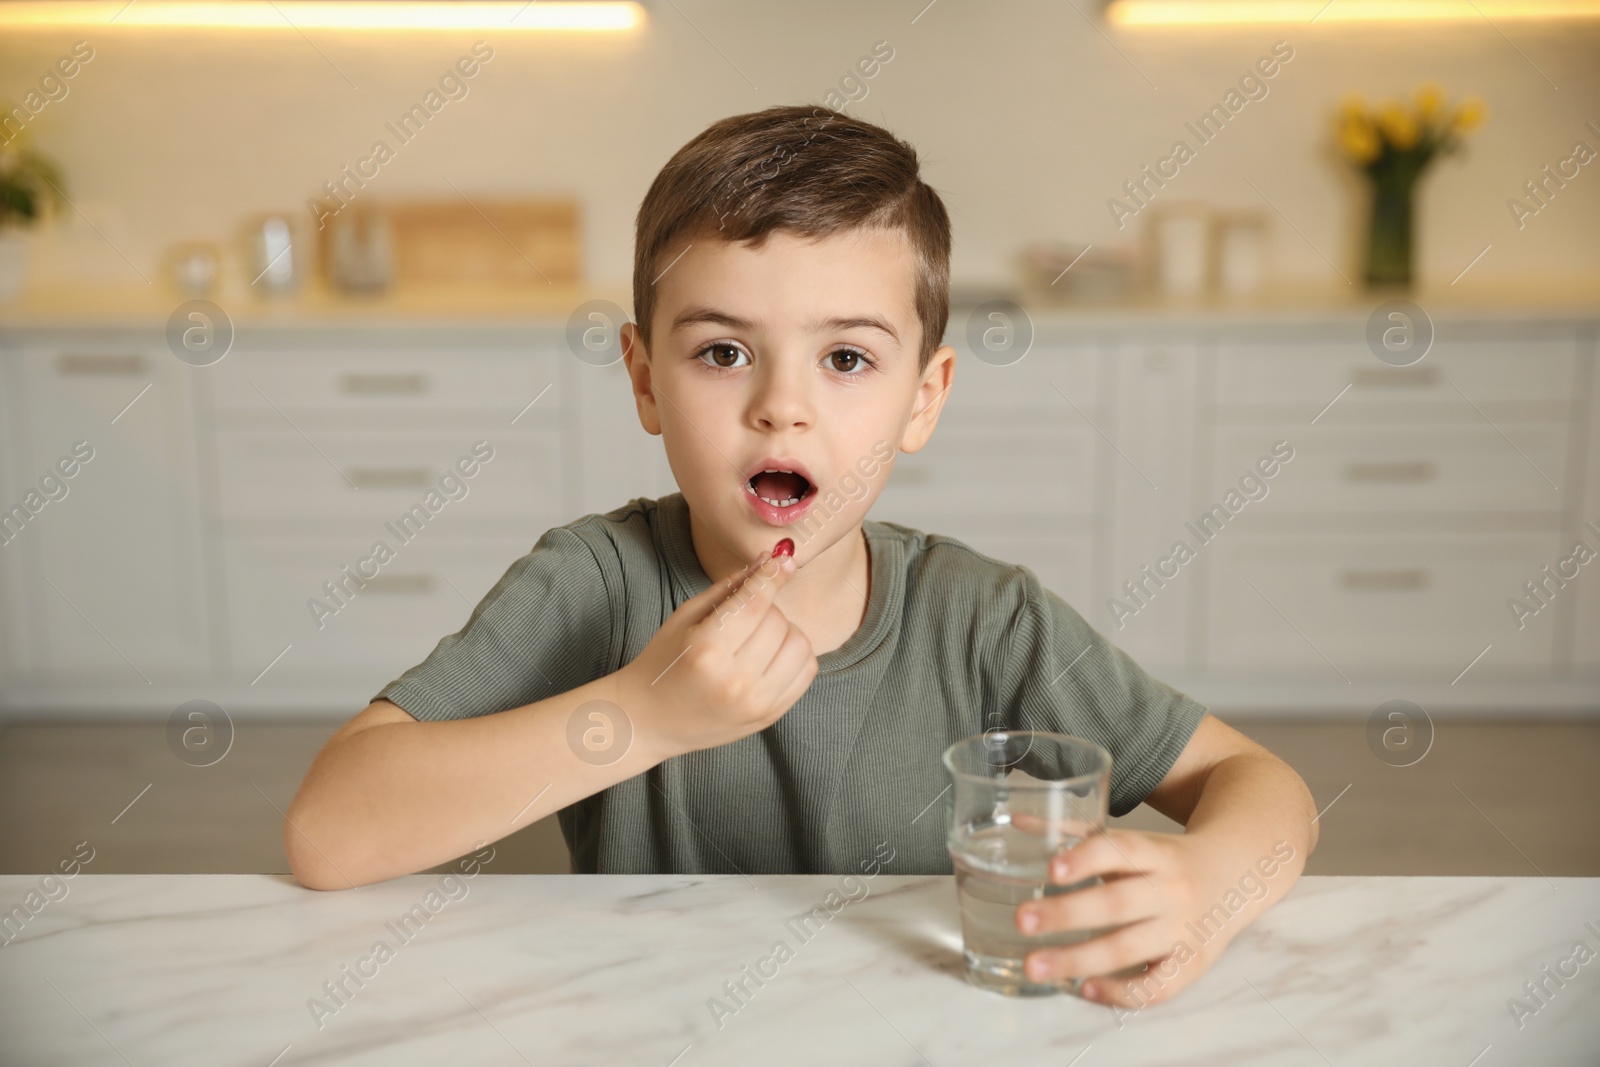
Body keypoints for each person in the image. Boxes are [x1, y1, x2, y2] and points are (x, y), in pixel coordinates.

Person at [284, 104, 1318, 1009]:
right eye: (721, 351)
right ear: (644, 379)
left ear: (924, 396)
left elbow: (1255, 780)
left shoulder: (984, 618)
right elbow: (330, 830)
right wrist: (641, 713)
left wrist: (1202, 884)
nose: (781, 403)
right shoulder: (597, 583)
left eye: (846, 358)